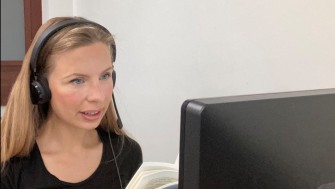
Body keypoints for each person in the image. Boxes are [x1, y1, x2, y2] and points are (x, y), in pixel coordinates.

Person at [1, 16, 142, 188]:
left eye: (105, 76)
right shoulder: (9, 165)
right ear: (40, 88)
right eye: (77, 81)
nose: (97, 96)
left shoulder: (127, 154)